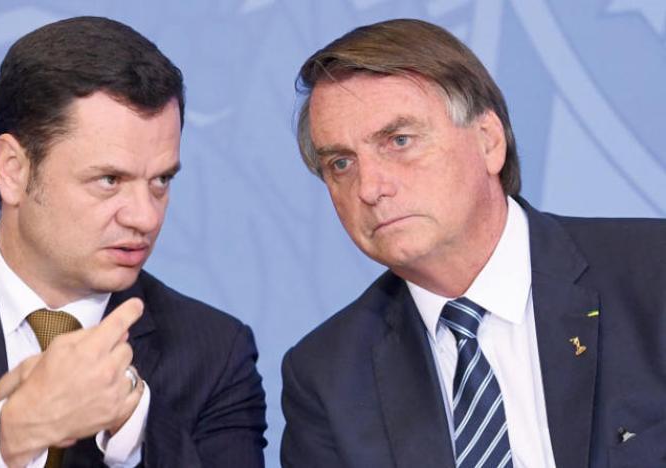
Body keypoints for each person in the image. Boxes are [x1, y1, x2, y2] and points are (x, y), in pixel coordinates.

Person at [0, 16, 266, 467]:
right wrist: (13, 434)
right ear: (13, 170)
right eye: (109, 180)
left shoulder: (215, 353)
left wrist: (132, 425)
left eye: (161, 181)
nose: (145, 216)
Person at [280, 18, 665, 468]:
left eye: (399, 141)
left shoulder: (652, 273)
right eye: (341, 164)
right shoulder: (328, 376)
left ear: (489, 142)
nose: (369, 188)